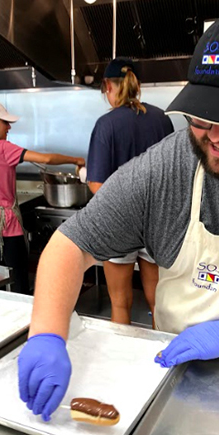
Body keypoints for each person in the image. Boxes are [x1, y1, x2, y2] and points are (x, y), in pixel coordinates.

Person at [18, 8, 219, 422]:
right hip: (173, 393)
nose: (214, 136)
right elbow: (71, 244)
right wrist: (47, 333)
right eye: (200, 117)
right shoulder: (168, 166)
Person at [86, 57, 174, 325]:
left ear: (107, 86)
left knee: (121, 303)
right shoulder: (161, 119)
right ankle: (163, 359)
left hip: (119, 224)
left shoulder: (106, 124)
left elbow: (96, 184)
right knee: (159, 303)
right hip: (156, 223)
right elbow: (172, 174)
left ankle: (121, 361)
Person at [0, 101, 85, 294]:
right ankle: (24, 322)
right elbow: (46, 159)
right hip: (9, 230)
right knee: (19, 281)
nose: (9, 127)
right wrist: (76, 160)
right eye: (5, 122)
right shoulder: (3, 148)